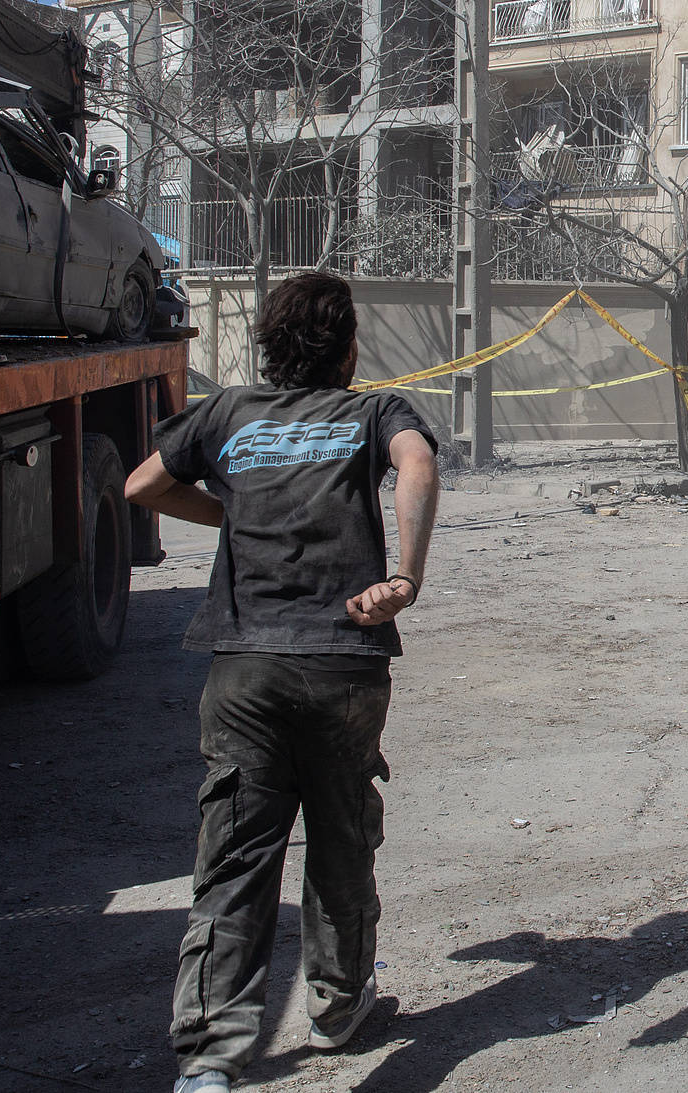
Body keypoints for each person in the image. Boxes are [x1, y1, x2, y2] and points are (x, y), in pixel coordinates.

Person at [124, 271, 442, 1093]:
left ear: (269, 344)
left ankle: (211, 1059)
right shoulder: (374, 412)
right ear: (347, 347)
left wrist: (230, 512)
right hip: (345, 660)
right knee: (341, 839)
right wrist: (404, 578)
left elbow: (142, 485)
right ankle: (336, 1007)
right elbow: (417, 462)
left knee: (236, 855)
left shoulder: (228, 411)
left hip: (246, 666)